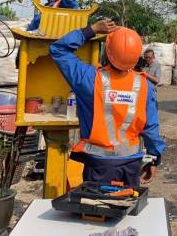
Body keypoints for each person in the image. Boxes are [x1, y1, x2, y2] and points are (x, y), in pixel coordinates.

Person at [50, 20, 165, 186]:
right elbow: (151, 127)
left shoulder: (88, 79)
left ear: (108, 51)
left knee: (96, 209)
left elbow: (58, 49)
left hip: (98, 166)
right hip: (130, 166)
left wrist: (91, 30)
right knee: (124, 207)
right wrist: (153, 159)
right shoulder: (144, 85)